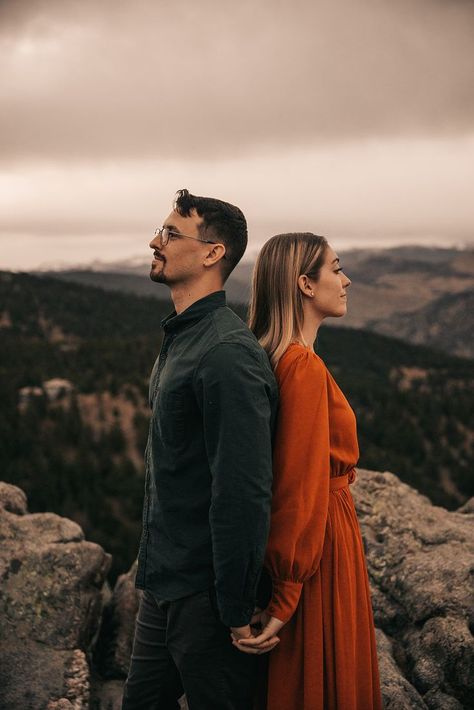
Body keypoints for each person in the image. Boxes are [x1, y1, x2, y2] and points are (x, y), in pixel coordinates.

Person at [122, 190, 279, 710]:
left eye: (170, 233)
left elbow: (242, 491)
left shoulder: (226, 354)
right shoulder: (184, 337)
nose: (154, 241)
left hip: (208, 601)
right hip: (163, 584)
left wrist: (234, 606)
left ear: (213, 254)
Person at [237, 233, 383, 710]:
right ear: (304, 283)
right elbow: (297, 483)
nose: (346, 281)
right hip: (321, 539)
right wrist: (287, 590)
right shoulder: (301, 366)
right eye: (336, 269)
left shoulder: (278, 357)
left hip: (318, 532)